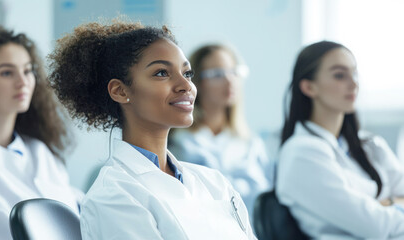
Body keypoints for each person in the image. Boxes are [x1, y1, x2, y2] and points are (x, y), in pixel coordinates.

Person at [48, 20, 257, 239]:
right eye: (161, 73)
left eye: (187, 73)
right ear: (120, 91)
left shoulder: (214, 182)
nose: (185, 85)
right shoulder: (114, 195)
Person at [276, 40, 404, 239]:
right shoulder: (301, 153)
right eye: (339, 75)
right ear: (309, 87)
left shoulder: (370, 143)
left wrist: (386, 206)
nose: (353, 84)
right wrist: (391, 203)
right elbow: (376, 226)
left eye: (354, 74)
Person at [0, 27, 80, 239]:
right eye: (7, 72)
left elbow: (79, 213)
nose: (23, 82)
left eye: (27, 70)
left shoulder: (40, 151)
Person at [169, 44, 273, 218]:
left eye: (234, 72)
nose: (229, 80)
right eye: (217, 74)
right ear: (196, 83)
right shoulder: (179, 142)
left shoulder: (251, 143)